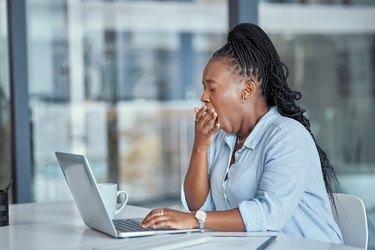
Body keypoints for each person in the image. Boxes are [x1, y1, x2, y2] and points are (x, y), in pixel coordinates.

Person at [141, 23, 343, 244]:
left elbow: (268, 214)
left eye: (212, 88)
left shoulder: (287, 136)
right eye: (203, 88)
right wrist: (200, 146)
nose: (203, 97)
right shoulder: (222, 139)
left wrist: (194, 220)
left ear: (247, 90)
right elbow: (200, 207)